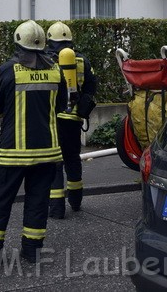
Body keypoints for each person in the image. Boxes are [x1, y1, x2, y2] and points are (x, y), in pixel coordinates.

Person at [0, 20, 66, 265]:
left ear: (18, 43)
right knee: (38, 201)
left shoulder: (6, 70)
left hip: (13, 152)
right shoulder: (56, 70)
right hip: (47, 152)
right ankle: (32, 251)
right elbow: (61, 107)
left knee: (0, 201)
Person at [45, 22, 97, 219]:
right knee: (73, 159)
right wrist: (83, 108)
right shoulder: (82, 60)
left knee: (55, 162)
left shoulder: (46, 60)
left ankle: (56, 209)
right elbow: (91, 87)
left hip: (54, 118)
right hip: (74, 119)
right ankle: (76, 201)